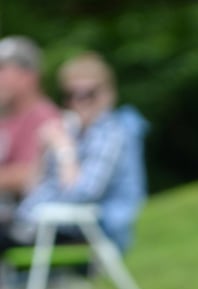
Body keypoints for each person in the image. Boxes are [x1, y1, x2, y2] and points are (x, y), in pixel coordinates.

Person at [2, 51, 147, 254]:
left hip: (81, 230)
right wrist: (43, 150)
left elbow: (81, 194)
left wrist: (64, 150)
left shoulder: (110, 134)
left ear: (108, 94)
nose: (80, 102)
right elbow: (31, 188)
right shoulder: (73, 132)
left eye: (88, 94)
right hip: (38, 225)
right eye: (71, 95)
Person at [0, 36, 60, 222]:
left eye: (2, 69)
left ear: (28, 76)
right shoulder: (6, 116)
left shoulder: (45, 117)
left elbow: (31, 174)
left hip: (24, 218)